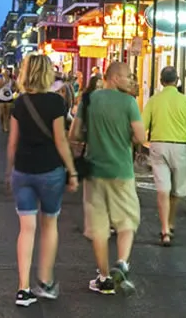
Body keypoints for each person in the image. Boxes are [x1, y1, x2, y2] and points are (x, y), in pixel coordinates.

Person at [7, 54, 79, 306]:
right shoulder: (55, 103)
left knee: (26, 229)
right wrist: (72, 170)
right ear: (48, 73)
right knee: (49, 225)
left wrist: (9, 171)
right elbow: (61, 140)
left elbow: (12, 143)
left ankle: (23, 288)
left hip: (23, 172)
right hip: (50, 171)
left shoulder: (20, 103)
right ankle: (45, 282)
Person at [70, 61, 146, 295]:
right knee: (126, 223)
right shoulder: (129, 103)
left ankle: (103, 278)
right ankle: (122, 262)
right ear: (114, 78)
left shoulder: (89, 100)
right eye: (127, 76)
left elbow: (74, 134)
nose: (130, 80)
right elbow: (140, 136)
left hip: (94, 172)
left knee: (99, 228)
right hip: (121, 171)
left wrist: (92, 134)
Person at [142, 66, 186, 246]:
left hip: (158, 146)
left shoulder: (154, 100)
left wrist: (136, 144)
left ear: (161, 81)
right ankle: (169, 222)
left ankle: (165, 230)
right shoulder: (185, 101)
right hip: (179, 148)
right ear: (177, 81)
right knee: (177, 190)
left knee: (162, 189)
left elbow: (142, 125)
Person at [0, 68, 20, 134]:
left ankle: (6, 126)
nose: (6, 73)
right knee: (1, 113)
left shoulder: (12, 80)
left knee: (7, 113)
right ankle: (2, 124)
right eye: (5, 72)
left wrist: (14, 89)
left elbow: (17, 88)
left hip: (9, 97)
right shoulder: (1, 79)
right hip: (1, 97)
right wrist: (4, 83)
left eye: (8, 72)